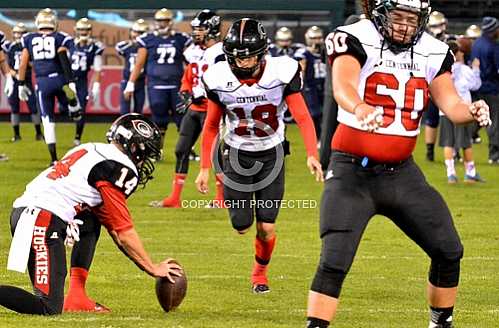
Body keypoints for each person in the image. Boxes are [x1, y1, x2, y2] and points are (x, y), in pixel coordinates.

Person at [306, 1, 491, 327]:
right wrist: (360, 107)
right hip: (352, 171)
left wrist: (470, 111)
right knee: (334, 260)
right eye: (398, 17)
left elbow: (449, 102)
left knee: (449, 250)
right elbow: (342, 85)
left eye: (413, 19)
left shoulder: (433, 50)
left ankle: (440, 322)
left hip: (401, 173)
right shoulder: (353, 37)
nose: (406, 26)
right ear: (379, 13)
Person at [0, 113, 182, 315]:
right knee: (48, 307)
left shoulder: (89, 148)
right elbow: (124, 232)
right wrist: (152, 267)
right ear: (133, 147)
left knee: (92, 217)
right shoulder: (118, 167)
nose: (144, 161)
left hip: (32, 213)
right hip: (41, 219)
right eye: (145, 152)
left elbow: (113, 227)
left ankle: (77, 296)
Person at [195, 18, 323, 294]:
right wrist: (204, 167)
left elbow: (302, 116)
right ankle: (245, 224)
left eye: (248, 55)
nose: (242, 62)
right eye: (237, 56)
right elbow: (209, 126)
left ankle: (259, 274)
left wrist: (312, 153)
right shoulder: (218, 77)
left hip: (271, 156)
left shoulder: (282, 71)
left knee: (266, 225)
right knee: (241, 225)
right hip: (237, 155)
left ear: (263, 51)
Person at [150, 9, 225, 208]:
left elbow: (223, 81)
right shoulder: (193, 50)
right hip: (195, 108)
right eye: (195, 29)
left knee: (215, 153)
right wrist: (185, 91)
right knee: (181, 149)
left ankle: (221, 199)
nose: (196, 33)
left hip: (213, 108)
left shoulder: (221, 52)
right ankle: (175, 198)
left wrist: (203, 93)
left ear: (213, 30)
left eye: (200, 29)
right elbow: (189, 75)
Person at [18, 8, 82, 165]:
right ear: (54, 22)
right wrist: (71, 79)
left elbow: (23, 63)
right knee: (67, 106)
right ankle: (73, 106)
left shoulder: (28, 38)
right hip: (60, 79)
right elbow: (65, 56)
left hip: (43, 82)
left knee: (47, 120)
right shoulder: (61, 37)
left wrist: (21, 83)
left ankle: (54, 159)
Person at [124, 8, 190, 146]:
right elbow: (139, 63)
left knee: (182, 118)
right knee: (159, 119)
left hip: (177, 85)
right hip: (156, 85)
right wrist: (130, 84)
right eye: (160, 21)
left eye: (165, 21)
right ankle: (157, 148)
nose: (162, 24)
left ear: (171, 22)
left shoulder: (181, 38)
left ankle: (188, 148)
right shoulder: (147, 39)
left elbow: (190, 62)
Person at [439, 41, 484, 184]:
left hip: (444, 110)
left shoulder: (441, 70)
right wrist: (476, 69)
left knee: (448, 142)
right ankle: (470, 173)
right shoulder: (464, 70)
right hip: (461, 110)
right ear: (457, 53)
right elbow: (475, 85)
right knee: (465, 142)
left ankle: (451, 174)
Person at [424, 10, 456, 161]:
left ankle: (454, 150)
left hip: (448, 83)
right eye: (436, 25)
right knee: (432, 119)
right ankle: (430, 151)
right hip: (432, 83)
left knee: (451, 117)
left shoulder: (451, 40)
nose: (440, 28)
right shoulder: (424, 43)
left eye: (441, 24)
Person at [3, 23, 43, 142]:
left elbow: (34, 64)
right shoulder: (9, 46)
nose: (18, 35)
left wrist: (26, 65)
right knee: (14, 108)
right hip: (14, 81)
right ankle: (16, 135)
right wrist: (14, 74)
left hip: (27, 80)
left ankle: (38, 133)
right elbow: (5, 64)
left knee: (33, 107)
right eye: (16, 33)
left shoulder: (30, 47)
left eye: (21, 33)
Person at [69, 18, 104, 146]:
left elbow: (98, 69)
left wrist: (96, 86)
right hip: (68, 80)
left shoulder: (95, 47)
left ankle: (77, 137)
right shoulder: (69, 43)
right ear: (76, 31)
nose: (83, 32)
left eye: (86, 29)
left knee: (81, 110)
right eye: (81, 29)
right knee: (65, 107)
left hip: (81, 81)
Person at [470, 16, 499, 164]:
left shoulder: (476, 44)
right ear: (493, 30)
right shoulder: (494, 47)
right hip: (492, 88)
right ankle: (494, 155)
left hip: (477, 87)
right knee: (494, 121)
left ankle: (464, 140)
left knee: (479, 118)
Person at [295, 26, 327, 139]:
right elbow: (301, 68)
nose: (316, 41)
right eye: (314, 38)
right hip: (311, 85)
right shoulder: (303, 52)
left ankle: (325, 136)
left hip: (325, 84)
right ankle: (317, 137)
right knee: (315, 113)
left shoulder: (326, 50)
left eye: (318, 38)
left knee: (326, 113)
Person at [116, 19, 149, 115]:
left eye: (140, 32)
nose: (136, 35)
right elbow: (119, 47)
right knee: (124, 111)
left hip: (141, 82)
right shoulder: (126, 46)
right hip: (126, 80)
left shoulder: (148, 48)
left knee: (138, 112)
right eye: (135, 31)